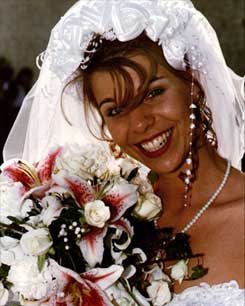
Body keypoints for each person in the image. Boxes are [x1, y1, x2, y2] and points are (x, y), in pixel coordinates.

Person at [3, 0, 244, 304]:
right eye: (116, 109)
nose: (141, 122)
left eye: (154, 93)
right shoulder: (101, 223)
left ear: (192, 83)